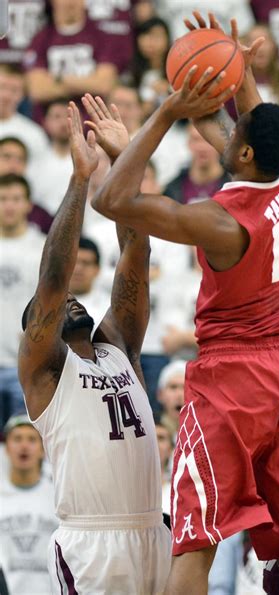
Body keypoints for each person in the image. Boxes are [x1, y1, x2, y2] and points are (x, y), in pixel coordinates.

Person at [91, 12, 279, 594]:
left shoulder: (221, 222)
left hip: (236, 379)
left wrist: (165, 113)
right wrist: (232, 66)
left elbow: (112, 199)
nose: (225, 129)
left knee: (195, 543)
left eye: (235, 131)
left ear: (244, 153)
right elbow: (248, 119)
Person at [18, 102, 171, 592]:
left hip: (154, 529)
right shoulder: (46, 372)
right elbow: (52, 279)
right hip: (91, 543)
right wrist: (82, 179)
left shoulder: (119, 345)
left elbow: (137, 254)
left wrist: (126, 163)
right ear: (37, 327)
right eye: (59, 305)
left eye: (74, 300)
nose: (71, 302)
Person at [23, 0, 118, 122]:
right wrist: (88, 83)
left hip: (93, 125)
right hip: (48, 127)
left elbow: (103, 85)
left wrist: (58, 80)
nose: (70, 2)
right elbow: (37, 90)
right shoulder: (40, 39)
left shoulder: (102, 37)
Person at [0, 174, 45, 426]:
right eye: (3, 198)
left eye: (16, 199)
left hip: (25, 365)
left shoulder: (41, 247)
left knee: (28, 440)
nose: (9, 205)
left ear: (29, 204)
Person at [0, 414, 57, 594]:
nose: (24, 446)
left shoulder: (59, 497)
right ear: (6, 448)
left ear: (43, 449)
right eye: (17, 439)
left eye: (32, 439)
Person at [164, 124, 230, 204]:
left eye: (208, 140)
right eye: (196, 139)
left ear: (220, 143)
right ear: (188, 143)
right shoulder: (171, 190)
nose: (202, 147)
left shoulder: (234, 188)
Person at [0, 65, 49, 163]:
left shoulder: (34, 134)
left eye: (14, 90)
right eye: (2, 87)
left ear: (23, 95)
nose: (6, 95)